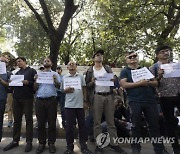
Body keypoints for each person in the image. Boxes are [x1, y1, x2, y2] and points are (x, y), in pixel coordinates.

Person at [119, 51, 169, 154]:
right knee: (135, 126)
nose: (133, 58)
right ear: (126, 60)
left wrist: (148, 82)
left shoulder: (145, 69)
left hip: (150, 101)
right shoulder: (125, 71)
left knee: (154, 126)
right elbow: (124, 84)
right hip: (134, 101)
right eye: (130, 57)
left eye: (134, 56)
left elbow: (155, 82)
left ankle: (159, 150)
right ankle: (136, 150)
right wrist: (140, 83)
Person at [85, 49, 127, 154]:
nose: (100, 57)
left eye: (101, 55)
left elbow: (114, 82)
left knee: (111, 122)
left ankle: (114, 144)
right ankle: (99, 145)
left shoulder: (107, 68)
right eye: (97, 55)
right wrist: (92, 82)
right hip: (97, 97)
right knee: (97, 122)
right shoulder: (90, 71)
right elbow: (87, 86)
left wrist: (113, 80)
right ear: (93, 58)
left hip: (109, 96)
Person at [150, 45, 180, 154]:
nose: (166, 53)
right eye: (162, 52)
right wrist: (159, 76)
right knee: (170, 123)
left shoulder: (177, 65)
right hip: (164, 97)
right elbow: (152, 84)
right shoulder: (153, 68)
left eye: (167, 51)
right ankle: (176, 148)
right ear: (157, 55)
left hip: (178, 95)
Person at [3, 57, 37, 152]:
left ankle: (29, 142)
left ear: (25, 61)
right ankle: (15, 140)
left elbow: (35, 84)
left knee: (28, 120)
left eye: (20, 61)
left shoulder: (31, 71)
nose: (18, 63)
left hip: (28, 99)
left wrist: (28, 82)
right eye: (17, 61)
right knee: (17, 121)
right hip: (16, 99)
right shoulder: (16, 73)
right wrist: (11, 83)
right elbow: (11, 87)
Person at [62, 61, 92, 154]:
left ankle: (84, 147)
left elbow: (84, 89)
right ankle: (69, 148)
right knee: (69, 127)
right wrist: (65, 90)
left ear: (76, 66)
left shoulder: (81, 77)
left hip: (80, 105)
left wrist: (85, 101)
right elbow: (62, 90)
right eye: (69, 64)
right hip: (69, 106)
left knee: (82, 126)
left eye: (73, 64)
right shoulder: (64, 77)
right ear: (67, 67)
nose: (71, 65)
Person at [34, 57, 60, 154]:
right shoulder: (38, 74)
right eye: (44, 61)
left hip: (51, 100)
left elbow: (59, 86)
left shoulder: (55, 74)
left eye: (48, 61)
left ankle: (51, 143)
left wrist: (55, 81)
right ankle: (41, 143)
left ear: (51, 63)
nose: (46, 62)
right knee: (40, 123)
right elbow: (35, 88)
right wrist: (36, 81)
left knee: (52, 123)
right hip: (40, 100)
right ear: (42, 63)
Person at [0, 55, 10, 142]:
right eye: (0, 61)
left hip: (1, 99)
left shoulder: (9, 73)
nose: (2, 63)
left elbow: (10, 86)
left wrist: (1, 81)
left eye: (4, 62)